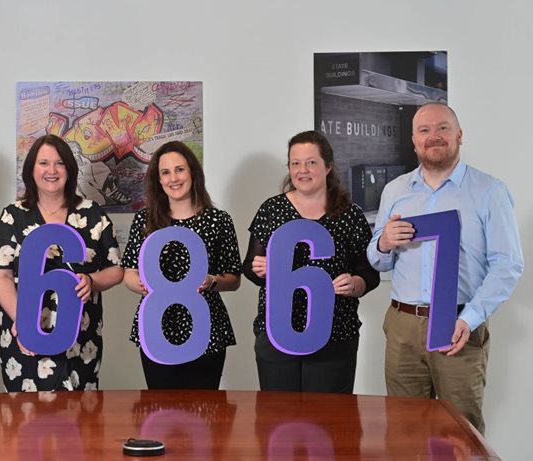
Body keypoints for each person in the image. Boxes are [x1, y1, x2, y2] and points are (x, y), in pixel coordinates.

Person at [367, 102, 523, 434]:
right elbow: (378, 260)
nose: (434, 137)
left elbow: (507, 265)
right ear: (414, 141)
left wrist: (470, 318)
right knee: (403, 431)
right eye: (424, 130)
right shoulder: (395, 191)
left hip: (459, 325)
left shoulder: (489, 191)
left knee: (460, 435)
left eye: (442, 128)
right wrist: (383, 243)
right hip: (403, 328)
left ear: (459, 135)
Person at [244, 130, 379, 393]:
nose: (302, 170)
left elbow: (369, 273)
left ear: (328, 166)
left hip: (335, 336)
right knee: (278, 423)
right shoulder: (271, 210)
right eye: (295, 163)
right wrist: (260, 269)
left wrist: (355, 283)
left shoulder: (350, 215)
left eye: (311, 162)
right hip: (277, 335)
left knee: (329, 424)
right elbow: (249, 266)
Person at [0, 134, 123, 392]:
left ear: (70, 170)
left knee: (80, 421)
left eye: (59, 163)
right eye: (43, 163)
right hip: (24, 335)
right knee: (25, 421)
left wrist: (92, 281)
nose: (51, 170)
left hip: (80, 336)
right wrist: (26, 321)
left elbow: (116, 268)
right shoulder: (13, 215)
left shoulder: (93, 212)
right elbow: (1, 275)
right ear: (31, 170)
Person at [121, 140, 241, 389]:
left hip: (206, 328)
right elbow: (129, 274)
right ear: (158, 179)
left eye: (179, 169)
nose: (173, 178)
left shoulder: (218, 220)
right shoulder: (144, 219)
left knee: (204, 413)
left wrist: (212, 281)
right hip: (156, 325)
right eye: (165, 172)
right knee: (160, 413)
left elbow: (234, 278)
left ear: (192, 172)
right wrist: (143, 285)